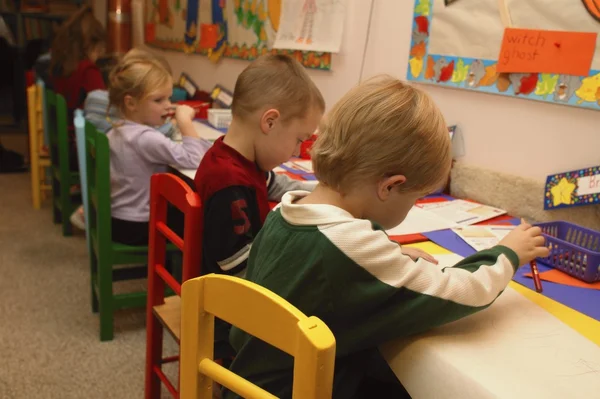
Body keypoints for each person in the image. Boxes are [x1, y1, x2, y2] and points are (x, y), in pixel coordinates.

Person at [225, 76, 550, 399]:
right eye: (416, 197)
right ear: (389, 186)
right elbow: (461, 291)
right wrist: (507, 253)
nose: (413, 205)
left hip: (245, 385)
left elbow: (325, 276)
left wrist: (393, 260)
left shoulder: (283, 214)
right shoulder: (352, 245)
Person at [194, 53, 324, 278]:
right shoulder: (228, 181)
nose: (296, 151)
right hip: (227, 301)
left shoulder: (236, 159)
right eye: (299, 140)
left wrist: (326, 192)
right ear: (270, 122)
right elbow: (237, 265)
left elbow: (278, 185)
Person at [107, 49, 210, 246]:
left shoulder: (118, 129)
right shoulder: (146, 138)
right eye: (158, 100)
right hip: (138, 225)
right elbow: (195, 160)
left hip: (118, 220)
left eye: (169, 98)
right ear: (131, 103)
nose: (168, 106)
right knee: (202, 220)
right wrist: (184, 122)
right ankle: (192, 273)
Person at [50, 6, 106, 171]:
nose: (100, 54)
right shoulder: (88, 70)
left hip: (62, 146)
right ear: (90, 44)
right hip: (79, 150)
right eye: (99, 48)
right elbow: (104, 108)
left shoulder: (60, 67)